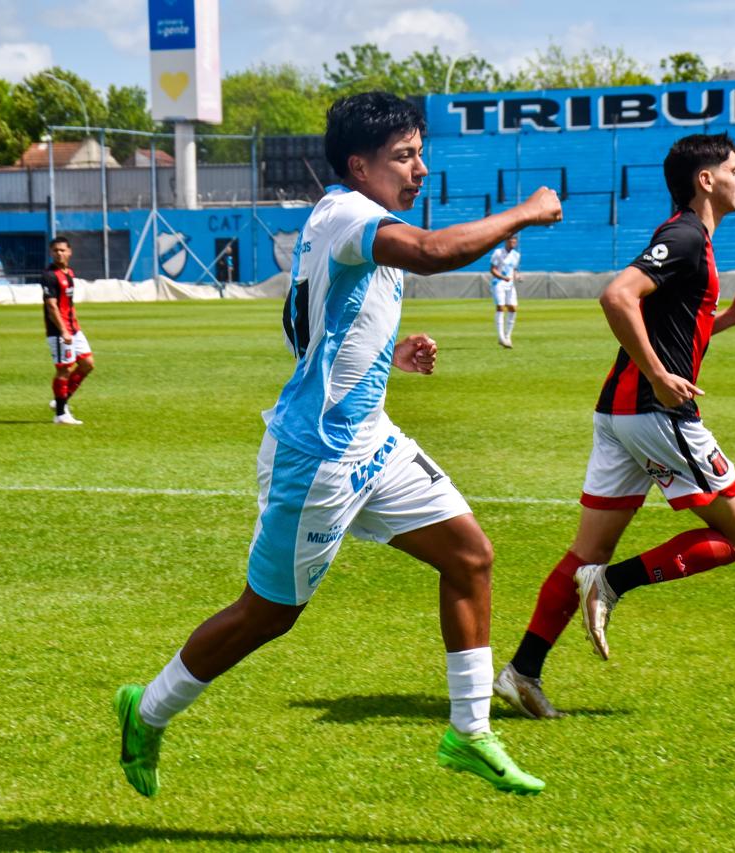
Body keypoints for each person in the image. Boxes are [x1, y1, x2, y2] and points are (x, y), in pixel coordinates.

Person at [114, 92, 562, 798]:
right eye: (404, 157)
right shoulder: (352, 214)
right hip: (318, 456)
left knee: (471, 555)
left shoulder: (349, 219)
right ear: (359, 165)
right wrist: (524, 212)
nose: (420, 168)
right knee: (269, 613)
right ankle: (147, 709)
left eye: (421, 153)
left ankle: (470, 733)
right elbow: (434, 252)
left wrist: (392, 356)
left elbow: (311, 328)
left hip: (372, 442)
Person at [493, 132, 735, 720]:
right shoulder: (686, 235)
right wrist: (659, 375)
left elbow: (672, 329)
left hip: (619, 415)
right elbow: (617, 296)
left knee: (582, 553)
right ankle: (613, 583)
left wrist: (729, 319)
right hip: (655, 415)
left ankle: (522, 672)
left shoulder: (691, 240)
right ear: (706, 179)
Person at [41, 236, 93, 426]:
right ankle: (61, 414)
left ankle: (60, 401)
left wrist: (74, 326)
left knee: (87, 363)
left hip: (73, 328)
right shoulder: (49, 275)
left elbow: (68, 304)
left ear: (69, 252)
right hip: (59, 331)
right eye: (55, 250)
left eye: (62, 250)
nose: (59, 253)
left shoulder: (69, 273)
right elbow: (51, 306)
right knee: (64, 369)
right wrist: (63, 330)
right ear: (51, 253)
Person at [488, 234, 520, 348]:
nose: (513, 243)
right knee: (500, 307)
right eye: (511, 240)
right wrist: (502, 277)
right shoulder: (498, 253)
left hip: (510, 285)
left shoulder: (516, 255)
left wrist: (518, 276)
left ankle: (508, 336)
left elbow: (514, 270)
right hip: (499, 283)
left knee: (513, 308)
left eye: (514, 241)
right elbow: (492, 269)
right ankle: (501, 337)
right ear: (506, 241)